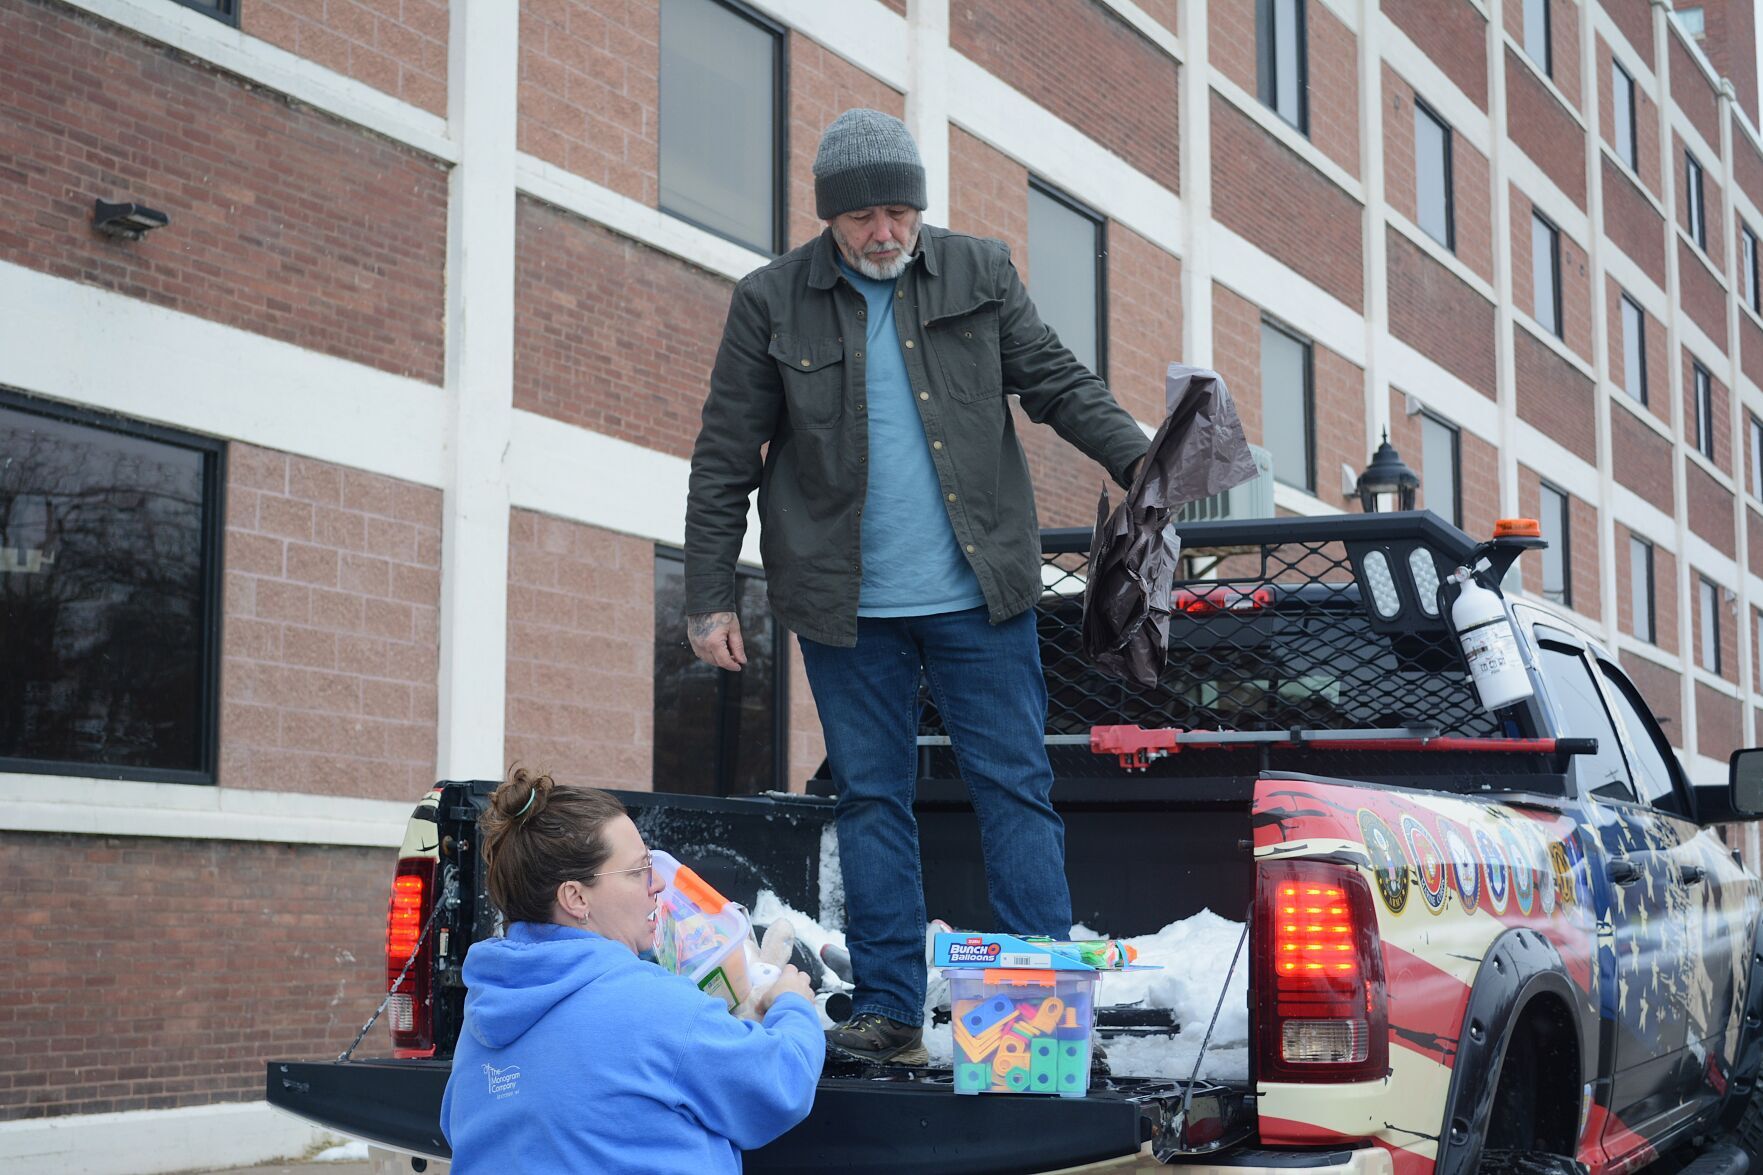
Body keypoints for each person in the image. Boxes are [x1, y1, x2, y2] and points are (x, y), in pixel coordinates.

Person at [684, 108, 1149, 1064]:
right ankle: (891, 1011)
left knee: (1013, 789)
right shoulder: (771, 301)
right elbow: (725, 455)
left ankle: (1036, 1024)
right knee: (871, 800)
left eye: (901, 212)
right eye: (864, 220)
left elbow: (1057, 383)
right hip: (843, 607)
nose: (886, 233)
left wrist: (1149, 462)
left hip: (980, 596)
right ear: (829, 220)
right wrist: (707, 594)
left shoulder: (978, 272)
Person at [440, 769, 824, 1173]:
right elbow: (779, 1084)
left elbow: (459, 1128)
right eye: (638, 870)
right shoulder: (655, 1006)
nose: (656, 884)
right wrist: (792, 1004)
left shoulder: (485, 1015)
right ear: (575, 897)